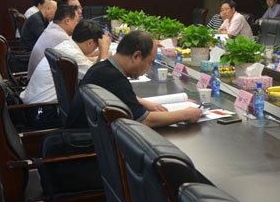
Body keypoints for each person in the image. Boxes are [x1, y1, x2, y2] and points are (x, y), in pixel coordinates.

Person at [66, 30, 202, 129]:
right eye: (150, 62)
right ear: (136, 56)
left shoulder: (103, 68)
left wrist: (143, 102)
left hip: (82, 136)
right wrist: (185, 114)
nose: (149, 68)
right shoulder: (115, 79)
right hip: (84, 146)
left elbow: (117, 94)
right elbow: (145, 120)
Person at [21, 19, 111, 105]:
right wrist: (104, 51)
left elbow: (92, 69)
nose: (96, 48)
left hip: (34, 101)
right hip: (44, 108)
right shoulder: (73, 53)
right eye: (97, 46)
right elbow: (100, 77)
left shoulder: (67, 45)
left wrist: (101, 54)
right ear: (90, 43)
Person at [27, 4, 80, 78]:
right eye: (77, 21)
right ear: (67, 21)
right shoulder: (61, 37)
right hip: (41, 79)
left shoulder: (52, 26)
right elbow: (79, 62)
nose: (78, 24)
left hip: (34, 78)